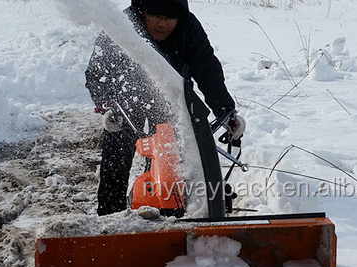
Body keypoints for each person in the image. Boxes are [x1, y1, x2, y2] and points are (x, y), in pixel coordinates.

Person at [85, 0, 245, 216]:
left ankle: (181, 214)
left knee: (176, 161)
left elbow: (207, 70)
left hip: (173, 100)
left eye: (169, 18)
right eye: (155, 16)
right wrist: (107, 106)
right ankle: (110, 218)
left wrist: (225, 110)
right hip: (125, 104)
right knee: (116, 157)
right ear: (142, 13)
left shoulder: (189, 28)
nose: (162, 23)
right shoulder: (122, 25)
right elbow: (97, 73)